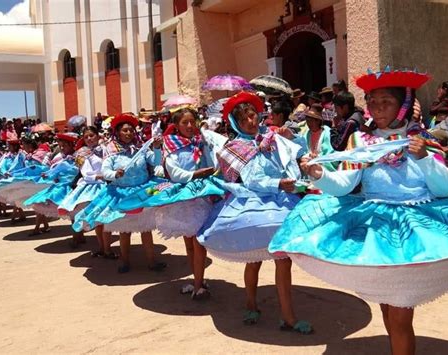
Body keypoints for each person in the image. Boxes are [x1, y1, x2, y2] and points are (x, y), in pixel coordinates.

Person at [269, 68, 448, 355]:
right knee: (387, 305)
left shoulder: (422, 140)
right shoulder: (362, 144)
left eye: (386, 102)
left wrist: (423, 158)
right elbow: (344, 185)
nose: (377, 109)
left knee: (401, 311)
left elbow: (445, 187)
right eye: (373, 102)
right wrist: (319, 174)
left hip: (416, 231)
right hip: (376, 230)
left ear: (403, 105)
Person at [198, 92, 312, 333]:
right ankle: (251, 303)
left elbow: (298, 149)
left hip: (282, 203)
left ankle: (288, 316)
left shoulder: (270, 136)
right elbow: (251, 180)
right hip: (253, 206)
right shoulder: (234, 147)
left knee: (283, 260)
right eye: (243, 119)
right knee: (254, 260)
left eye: (252, 115)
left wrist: (289, 135)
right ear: (234, 124)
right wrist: (277, 184)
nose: (250, 121)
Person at [118, 108, 225, 299]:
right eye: (185, 123)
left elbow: (218, 156)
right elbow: (174, 172)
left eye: (192, 122)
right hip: (185, 198)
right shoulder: (172, 145)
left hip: (204, 195)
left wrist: (209, 160)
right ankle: (197, 281)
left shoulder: (204, 142)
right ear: (176, 126)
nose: (190, 126)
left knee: (198, 242)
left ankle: (199, 283)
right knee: (190, 244)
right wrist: (198, 173)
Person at [72, 113, 166, 273]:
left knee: (146, 228)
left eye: (130, 130)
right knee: (125, 230)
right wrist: (115, 174)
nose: (128, 133)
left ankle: (151, 261)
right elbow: (105, 170)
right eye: (125, 131)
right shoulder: (111, 150)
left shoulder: (140, 148)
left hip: (141, 192)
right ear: (117, 132)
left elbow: (156, 161)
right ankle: (125, 262)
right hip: (121, 194)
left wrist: (156, 148)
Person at [58, 126, 115, 255]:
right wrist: (101, 176)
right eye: (86, 137)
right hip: (94, 187)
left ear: (98, 136)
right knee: (99, 220)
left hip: (109, 184)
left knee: (106, 219)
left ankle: (105, 248)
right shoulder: (82, 153)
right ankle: (104, 248)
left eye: (91, 135)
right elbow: (86, 173)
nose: (89, 139)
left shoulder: (108, 149)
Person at [302, 104, 337, 171]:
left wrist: (318, 158)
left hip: (323, 170)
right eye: (307, 121)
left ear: (318, 121)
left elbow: (331, 155)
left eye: (311, 121)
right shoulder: (306, 134)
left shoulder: (327, 134)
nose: (309, 124)